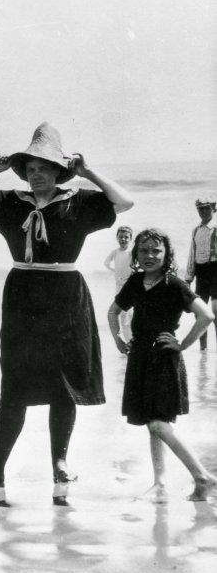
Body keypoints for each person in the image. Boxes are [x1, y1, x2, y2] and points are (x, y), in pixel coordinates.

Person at [0, 122, 133, 498]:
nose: (36, 175)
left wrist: (88, 172)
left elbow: (124, 203)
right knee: (14, 384)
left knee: (64, 383)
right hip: (22, 297)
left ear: (58, 171)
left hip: (66, 296)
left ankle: (60, 464)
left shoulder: (77, 202)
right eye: (30, 169)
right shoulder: (10, 202)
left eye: (44, 168)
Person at [108, 228, 217, 502]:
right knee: (151, 423)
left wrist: (183, 344)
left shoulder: (174, 284)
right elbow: (114, 311)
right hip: (140, 358)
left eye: (156, 251)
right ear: (135, 254)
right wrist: (118, 340)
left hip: (164, 359)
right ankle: (160, 484)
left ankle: (202, 477)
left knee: (158, 424)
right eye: (144, 250)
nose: (150, 255)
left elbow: (206, 315)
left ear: (167, 254)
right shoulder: (136, 281)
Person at [184, 196, 217, 350]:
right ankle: (203, 350)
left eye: (206, 208)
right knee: (200, 314)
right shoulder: (196, 230)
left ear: (214, 208)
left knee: (216, 311)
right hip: (201, 273)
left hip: (216, 271)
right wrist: (188, 278)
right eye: (200, 209)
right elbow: (192, 254)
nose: (203, 211)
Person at [104, 226, 134, 342]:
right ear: (117, 237)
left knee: (131, 312)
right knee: (122, 312)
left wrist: (133, 273)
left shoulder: (132, 252)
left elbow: (137, 266)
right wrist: (115, 271)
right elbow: (106, 263)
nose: (123, 239)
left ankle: (133, 339)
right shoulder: (115, 252)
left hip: (130, 285)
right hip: (119, 286)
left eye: (126, 237)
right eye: (121, 237)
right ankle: (127, 341)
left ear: (130, 239)